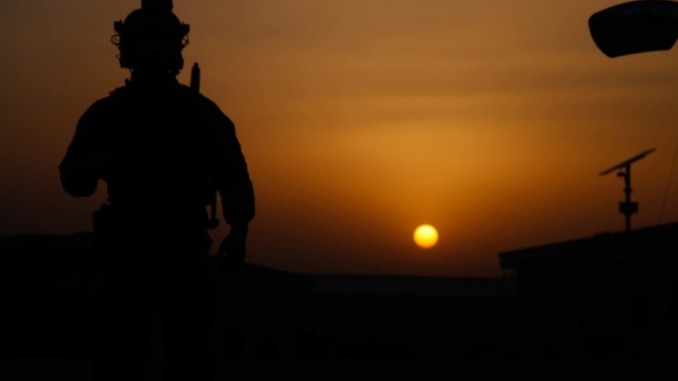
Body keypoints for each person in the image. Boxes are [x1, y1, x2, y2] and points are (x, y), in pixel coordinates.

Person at [59, 1, 255, 380]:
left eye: (161, 42)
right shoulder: (106, 114)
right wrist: (95, 164)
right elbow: (72, 178)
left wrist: (240, 229)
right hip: (126, 250)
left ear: (176, 50)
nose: (153, 51)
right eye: (145, 42)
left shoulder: (200, 113)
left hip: (182, 246)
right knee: (119, 354)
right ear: (128, 49)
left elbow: (233, 175)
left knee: (189, 356)